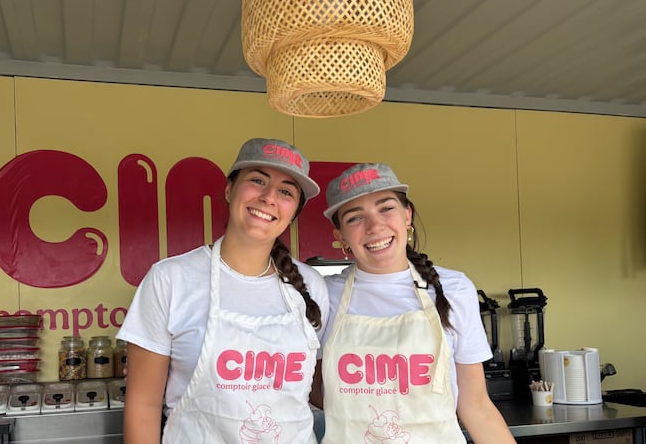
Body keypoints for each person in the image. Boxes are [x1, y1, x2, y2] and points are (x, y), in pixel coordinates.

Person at [117, 138, 330, 444]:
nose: (269, 197)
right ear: (229, 190)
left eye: (286, 191)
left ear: (293, 211)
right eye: (257, 180)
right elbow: (143, 405)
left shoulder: (311, 285)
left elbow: (319, 389)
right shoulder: (171, 279)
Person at [310, 163, 515, 443]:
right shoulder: (324, 295)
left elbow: (476, 405)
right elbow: (314, 390)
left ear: (407, 216)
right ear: (340, 237)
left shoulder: (453, 289)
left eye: (386, 208)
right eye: (355, 218)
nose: (375, 226)